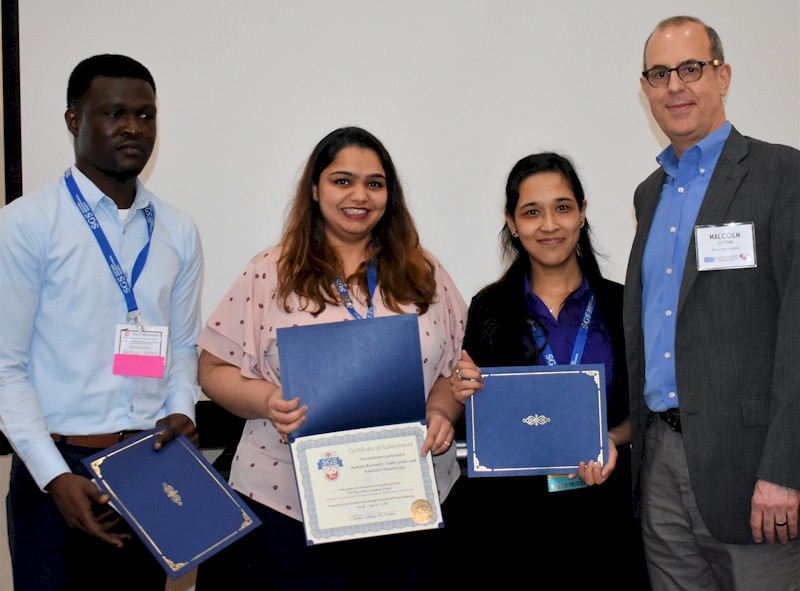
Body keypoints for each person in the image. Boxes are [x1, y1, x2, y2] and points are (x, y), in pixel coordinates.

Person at [194, 126, 466, 590]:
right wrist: (267, 401)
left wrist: (442, 410)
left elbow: (455, 367)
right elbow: (212, 367)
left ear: (389, 195)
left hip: (404, 500)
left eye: (374, 183)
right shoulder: (270, 271)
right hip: (287, 508)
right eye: (342, 180)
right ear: (315, 189)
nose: (359, 195)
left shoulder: (425, 270)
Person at [0, 54, 203, 590]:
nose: (134, 128)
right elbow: (5, 369)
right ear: (75, 120)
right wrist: (54, 476)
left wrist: (181, 409)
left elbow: (183, 346)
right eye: (115, 113)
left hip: (146, 465)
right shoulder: (25, 226)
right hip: (57, 472)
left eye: (146, 114)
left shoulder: (177, 230)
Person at [625, 15, 800, 589]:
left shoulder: (781, 174)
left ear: (722, 77)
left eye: (690, 69)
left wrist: (786, 469)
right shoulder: (648, 195)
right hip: (661, 464)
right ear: (645, 88)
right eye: (659, 74)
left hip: (754, 472)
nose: (674, 86)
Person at [449, 152, 649, 586]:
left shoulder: (622, 304)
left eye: (562, 207)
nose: (550, 225)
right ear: (512, 222)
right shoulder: (489, 308)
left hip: (604, 514)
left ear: (581, 213)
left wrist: (611, 439)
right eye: (531, 212)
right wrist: (464, 391)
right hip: (511, 526)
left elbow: (645, 406)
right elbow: (479, 415)